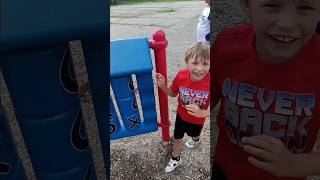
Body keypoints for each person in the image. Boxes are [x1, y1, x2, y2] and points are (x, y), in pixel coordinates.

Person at [212, 0, 320, 179]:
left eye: (305, 7)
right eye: (272, 5)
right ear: (246, 5)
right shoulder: (226, 46)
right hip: (226, 170)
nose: (286, 23)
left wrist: (297, 164)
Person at [156, 42, 210, 173]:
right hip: (181, 116)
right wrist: (163, 86)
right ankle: (175, 158)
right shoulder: (181, 76)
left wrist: (204, 113)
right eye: (195, 63)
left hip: (198, 121)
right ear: (187, 62)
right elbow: (173, 93)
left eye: (205, 64)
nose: (199, 68)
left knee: (195, 134)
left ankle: (195, 139)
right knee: (177, 137)